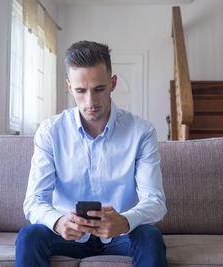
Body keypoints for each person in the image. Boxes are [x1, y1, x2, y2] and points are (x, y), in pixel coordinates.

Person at [15, 40, 168, 267]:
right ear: (69, 87)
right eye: (80, 91)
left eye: (99, 89)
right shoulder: (50, 131)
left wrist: (125, 221)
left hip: (120, 235)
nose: (91, 102)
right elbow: (34, 201)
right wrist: (57, 222)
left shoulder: (141, 132)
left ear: (113, 83)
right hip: (66, 236)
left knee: (149, 236)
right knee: (29, 235)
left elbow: (155, 201)